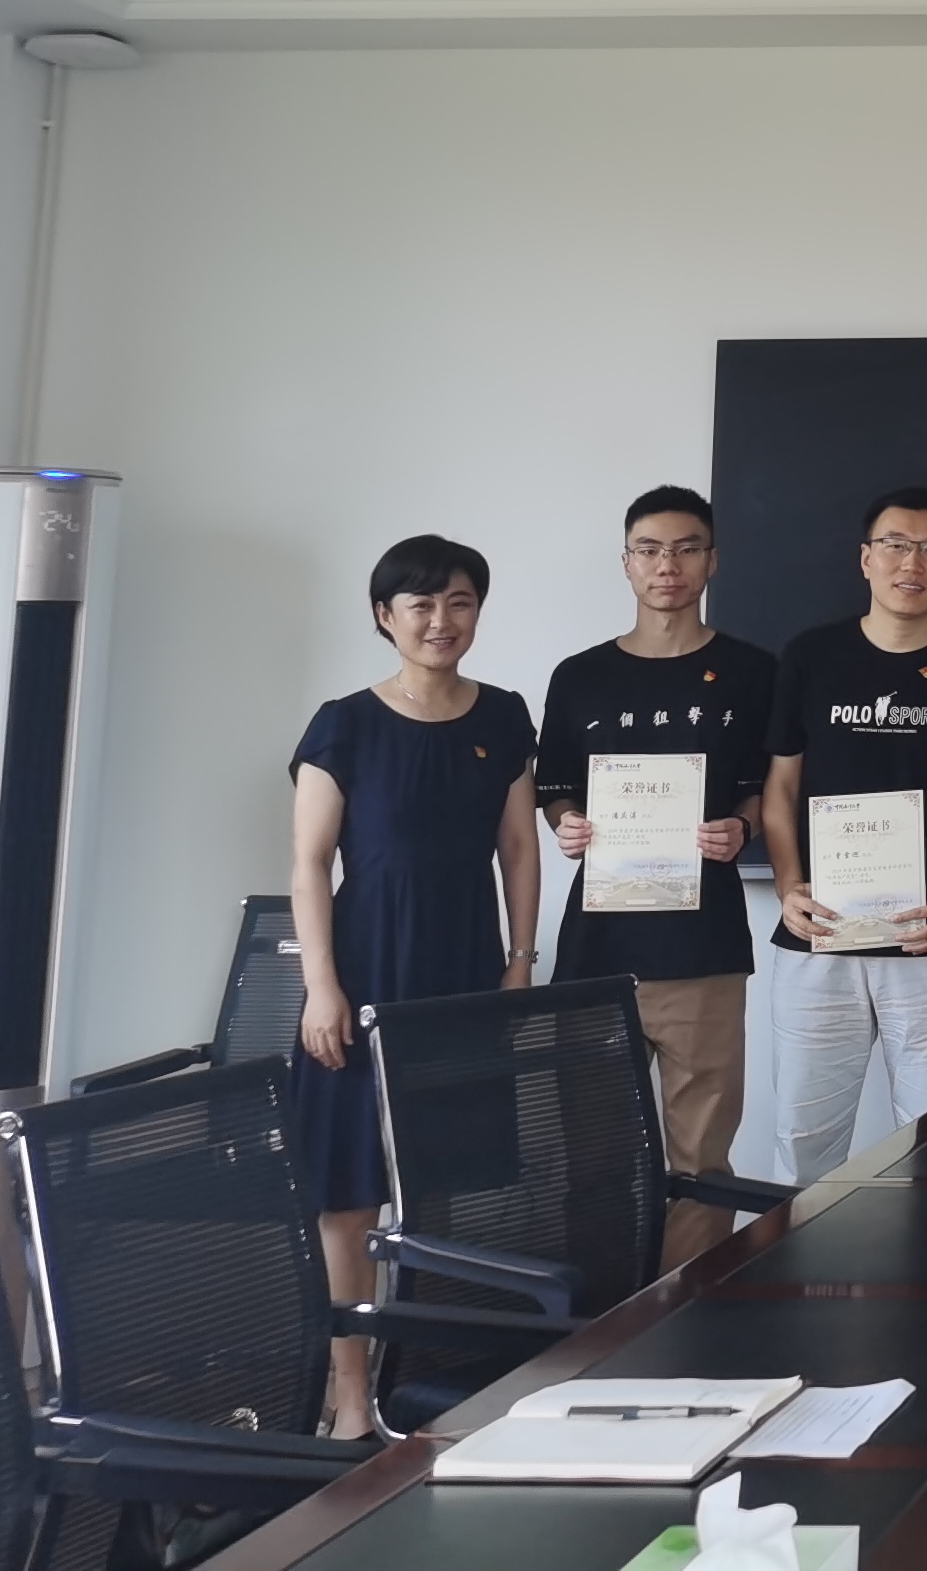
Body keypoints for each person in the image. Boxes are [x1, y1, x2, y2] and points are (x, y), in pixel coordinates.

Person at [287, 535, 538, 1436]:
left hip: (462, 974)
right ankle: (351, 1394)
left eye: (460, 602)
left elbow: (519, 848)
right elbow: (310, 864)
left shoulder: (504, 715)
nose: (441, 621)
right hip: (363, 974)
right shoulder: (345, 723)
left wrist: (520, 961)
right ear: (384, 616)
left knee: (446, 1189)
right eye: (421, 604)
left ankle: (426, 1379)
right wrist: (321, 988)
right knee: (348, 1196)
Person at [534, 484, 777, 1266]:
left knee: (701, 1160)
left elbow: (769, 787)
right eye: (649, 549)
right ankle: (601, 1312)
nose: (666, 565)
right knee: (592, 1155)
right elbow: (554, 786)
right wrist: (567, 821)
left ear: (711, 560)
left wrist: (741, 826)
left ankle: (688, 1306)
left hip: (702, 948)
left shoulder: (752, 672)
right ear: (627, 562)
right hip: (597, 951)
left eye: (685, 548)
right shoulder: (579, 676)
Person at [760, 487, 927, 1176]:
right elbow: (780, 789)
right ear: (866, 558)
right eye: (896, 545)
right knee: (803, 1145)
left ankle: (920, 1252)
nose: (913, 563)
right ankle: (798, 1252)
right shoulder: (810, 657)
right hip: (820, 936)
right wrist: (788, 886)